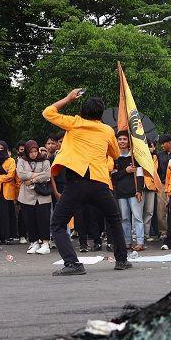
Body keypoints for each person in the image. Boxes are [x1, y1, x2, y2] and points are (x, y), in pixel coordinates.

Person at [44, 88, 131, 275]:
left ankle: (73, 264)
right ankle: (122, 260)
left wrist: (68, 98)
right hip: (100, 182)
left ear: (83, 111)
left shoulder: (74, 123)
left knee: (58, 224)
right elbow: (115, 154)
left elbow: (48, 112)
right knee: (114, 220)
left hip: (76, 182)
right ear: (101, 114)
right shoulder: (107, 130)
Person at [16, 140, 53, 254]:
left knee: (43, 219)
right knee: (29, 220)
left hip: (42, 196)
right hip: (26, 196)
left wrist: (32, 179)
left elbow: (47, 174)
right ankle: (34, 242)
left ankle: (45, 243)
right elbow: (21, 174)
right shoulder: (21, 160)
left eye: (35, 151)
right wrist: (38, 175)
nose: (34, 154)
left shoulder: (45, 161)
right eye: (31, 152)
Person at [112, 131, 146, 252]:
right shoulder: (114, 158)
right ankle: (127, 242)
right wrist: (125, 171)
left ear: (128, 142)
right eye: (120, 139)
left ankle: (140, 242)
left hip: (134, 192)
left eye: (124, 139)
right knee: (124, 219)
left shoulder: (135, 157)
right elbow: (113, 177)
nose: (122, 141)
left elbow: (140, 175)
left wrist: (139, 190)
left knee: (137, 217)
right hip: (121, 193)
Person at [152, 135, 171, 240]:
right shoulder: (159, 154)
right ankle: (163, 231)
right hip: (163, 184)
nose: (162, 146)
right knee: (160, 211)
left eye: (163, 143)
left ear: (169, 142)